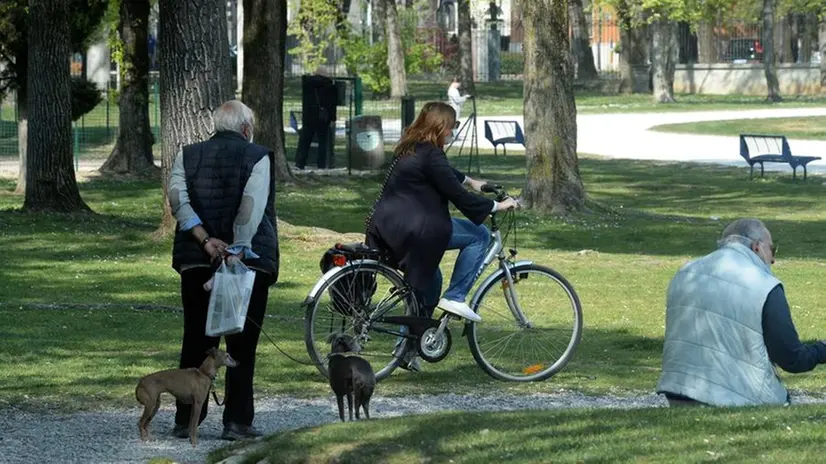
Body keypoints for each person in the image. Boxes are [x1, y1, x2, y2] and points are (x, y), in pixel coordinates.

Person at [365, 101, 518, 370]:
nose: (453, 132)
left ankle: (407, 349)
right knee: (479, 236)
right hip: (414, 228)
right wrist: (496, 205)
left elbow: (445, 174)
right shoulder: (430, 154)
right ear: (441, 126)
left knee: (430, 281)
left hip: (388, 227)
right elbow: (453, 192)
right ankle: (457, 296)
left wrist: (474, 182)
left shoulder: (410, 147)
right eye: (452, 126)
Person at [167, 100, 280, 440]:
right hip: (247, 261)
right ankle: (237, 421)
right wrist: (235, 249)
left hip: (196, 257)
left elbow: (177, 199)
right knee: (241, 344)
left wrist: (204, 241)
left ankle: (186, 419)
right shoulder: (257, 154)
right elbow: (251, 207)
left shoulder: (187, 153)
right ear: (246, 129)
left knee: (197, 339)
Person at [656, 218, 826, 407]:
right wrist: (822, 350)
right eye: (772, 249)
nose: (773, 259)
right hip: (734, 397)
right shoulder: (763, 284)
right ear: (756, 247)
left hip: (677, 392)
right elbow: (791, 358)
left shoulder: (685, 273)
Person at [295, 69, 338, 170]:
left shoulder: (307, 84)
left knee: (305, 141)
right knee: (323, 142)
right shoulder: (331, 86)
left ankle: (300, 163)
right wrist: (332, 118)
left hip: (309, 117)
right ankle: (321, 164)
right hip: (323, 118)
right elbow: (333, 104)